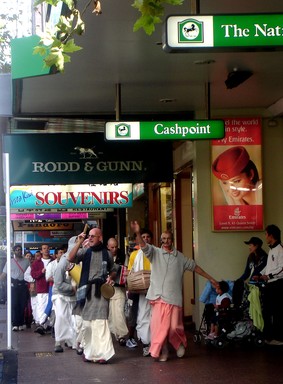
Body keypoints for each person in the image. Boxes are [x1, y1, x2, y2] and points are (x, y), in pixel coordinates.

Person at [130, 221, 217, 362]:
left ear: (172, 240)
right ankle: (164, 351)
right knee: (160, 328)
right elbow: (144, 246)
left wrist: (211, 279)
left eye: (168, 238)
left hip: (174, 299)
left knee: (173, 327)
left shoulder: (180, 258)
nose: (165, 241)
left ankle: (179, 343)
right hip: (157, 298)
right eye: (163, 239)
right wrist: (138, 233)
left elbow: (195, 267)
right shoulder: (155, 253)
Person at [68, 227, 116, 364]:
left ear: (100, 238)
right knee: (87, 325)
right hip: (86, 291)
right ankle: (89, 353)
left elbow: (113, 270)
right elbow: (70, 258)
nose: (90, 238)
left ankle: (103, 355)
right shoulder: (85, 251)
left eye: (93, 236)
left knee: (100, 323)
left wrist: (111, 277)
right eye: (89, 236)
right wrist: (79, 241)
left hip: (101, 291)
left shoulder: (107, 254)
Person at [252, 224, 283, 346]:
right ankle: (269, 337)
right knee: (267, 311)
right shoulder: (271, 249)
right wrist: (260, 274)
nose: (265, 236)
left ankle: (278, 338)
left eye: (266, 234)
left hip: (278, 284)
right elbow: (269, 267)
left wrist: (268, 276)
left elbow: (281, 268)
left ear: (271, 235)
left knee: (277, 312)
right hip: (270, 285)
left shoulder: (280, 249)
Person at [126, 228, 152, 357]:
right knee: (142, 316)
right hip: (140, 292)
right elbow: (131, 273)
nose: (146, 239)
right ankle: (146, 343)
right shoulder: (134, 255)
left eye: (148, 237)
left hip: (155, 290)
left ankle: (156, 343)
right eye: (143, 236)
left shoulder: (155, 252)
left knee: (155, 317)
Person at [52, 238, 77, 353]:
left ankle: (74, 342)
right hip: (60, 294)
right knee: (61, 316)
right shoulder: (63, 261)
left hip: (74, 295)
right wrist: (71, 288)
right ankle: (58, 341)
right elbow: (58, 282)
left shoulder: (78, 259)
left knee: (74, 319)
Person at [0, 245, 30, 331]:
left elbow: (30, 272)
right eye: (17, 250)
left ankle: (20, 323)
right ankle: (15, 323)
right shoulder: (9, 262)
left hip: (23, 285)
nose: (19, 251)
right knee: (14, 304)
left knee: (22, 304)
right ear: (14, 252)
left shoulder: (26, 261)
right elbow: (4, 274)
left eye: (20, 250)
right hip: (13, 286)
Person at [107, 237, 129, 347]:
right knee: (111, 313)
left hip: (119, 288)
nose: (114, 249)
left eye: (116, 247)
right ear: (108, 247)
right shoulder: (104, 257)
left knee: (119, 311)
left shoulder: (123, 256)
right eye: (112, 247)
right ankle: (116, 334)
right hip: (107, 289)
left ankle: (121, 335)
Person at [31, 243, 53, 335]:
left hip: (52, 286)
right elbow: (33, 275)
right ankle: (41, 325)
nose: (46, 250)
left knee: (52, 307)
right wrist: (41, 271)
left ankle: (48, 325)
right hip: (41, 287)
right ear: (41, 251)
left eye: (47, 248)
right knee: (41, 306)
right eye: (44, 248)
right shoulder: (37, 262)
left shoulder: (54, 261)